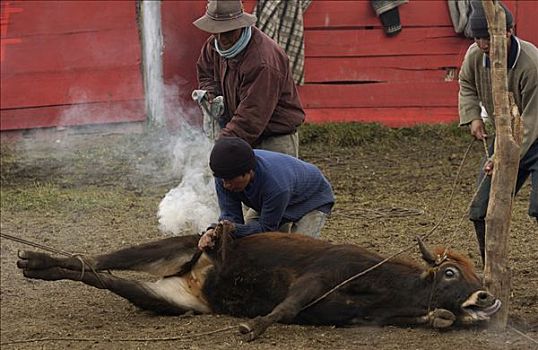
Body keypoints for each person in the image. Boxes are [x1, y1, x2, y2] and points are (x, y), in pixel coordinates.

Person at [458, 1, 538, 263]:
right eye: (478, 37)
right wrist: (472, 117)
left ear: (507, 32)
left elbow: (531, 120)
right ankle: (492, 268)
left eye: (487, 37)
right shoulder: (475, 55)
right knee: (480, 210)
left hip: (534, 136)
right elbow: (466, 84)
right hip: (504, 137)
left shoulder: (531, 64)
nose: (482, 44)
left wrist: (501, 157)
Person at [193, 0, 305, 157]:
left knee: (269, 181)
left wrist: (222, 145)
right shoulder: (214, 45)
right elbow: (207, 73)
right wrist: (211, 92)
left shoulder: (262, 61)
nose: (221, 38)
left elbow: (252, 116)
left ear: (240, 25)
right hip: (240, 132)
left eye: (227, 31)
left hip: (273, 140)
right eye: (215, 31)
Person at [198, 137, 334, 249]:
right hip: (276, 198)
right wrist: (216, 231)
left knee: (298, 250)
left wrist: (234, 229)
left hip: (312, 199)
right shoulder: (224, 175)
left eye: (231, 180)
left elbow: (266, 229)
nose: (226, 185)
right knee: (250, 243)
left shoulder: (276, 185)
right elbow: (231, 217)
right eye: (223, 179)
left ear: (249, 172)